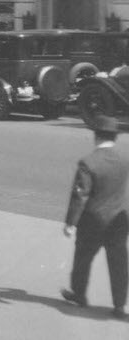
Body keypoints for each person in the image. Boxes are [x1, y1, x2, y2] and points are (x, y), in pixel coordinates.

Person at [61, 114, 129, 319]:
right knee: (118, 262)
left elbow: (80, 195)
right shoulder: (124, 159)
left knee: (83, 257)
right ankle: (119, 305)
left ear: (96, 136)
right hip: (118, 219)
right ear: (114, 137)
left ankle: (79, 295)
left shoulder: (88, 162)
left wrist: (70, 223)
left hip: (92, 221)